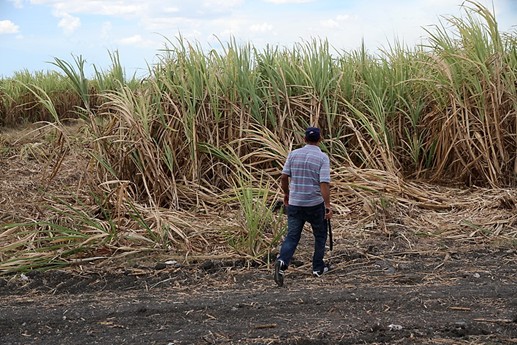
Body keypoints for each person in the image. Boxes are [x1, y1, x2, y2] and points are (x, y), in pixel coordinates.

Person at [274, 127, 333, 287]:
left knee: (292, 236)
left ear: (305, 139)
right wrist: (327, 205)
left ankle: (282, 262)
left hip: (295, 203)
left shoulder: (293, 154)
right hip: (314, 204)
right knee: (320, 235)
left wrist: (286, 194)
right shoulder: (322, 157)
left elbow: (284, 176)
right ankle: (317, 268)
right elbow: (324, 183)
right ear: (320, 139)